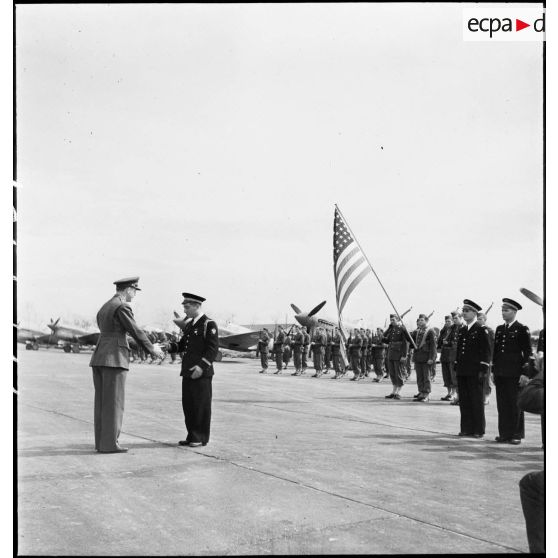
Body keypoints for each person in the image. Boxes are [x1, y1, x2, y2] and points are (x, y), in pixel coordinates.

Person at [90, 277, 163, 453]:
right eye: (134, 291)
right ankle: (109, 444)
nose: (135, 295)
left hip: (100, 356)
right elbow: (135, 330)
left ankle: (101, 442)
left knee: (101, 402)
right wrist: (152, 348)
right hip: (115, 358)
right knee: (114, 403)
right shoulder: (122, 306)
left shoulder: (105, 306)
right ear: (128, 289)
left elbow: (108, 331)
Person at [168, 292, 219, 447]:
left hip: (200, 372)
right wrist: (170, 347)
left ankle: (200, 437)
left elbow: (212, 349)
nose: (184, 310)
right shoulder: (191, 324)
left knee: (200, 405)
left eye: (187, 306)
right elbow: (183, 344)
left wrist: (201, 366)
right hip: (188, 371)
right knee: (189, 405)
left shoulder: (208, 324)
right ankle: (192, 435)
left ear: (197, 306)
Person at [492, 298, 535, 445]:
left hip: (515, 373)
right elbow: (496, 352)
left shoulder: (522, 329)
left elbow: (528, 353)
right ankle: (504, 433)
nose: (503, 313)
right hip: (500, 373)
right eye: (502, 310)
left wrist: (525, 373)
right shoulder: (499, 329)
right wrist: (493, 370)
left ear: (514, 312)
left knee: (515, 404)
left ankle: (516, 434)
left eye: (507, 310)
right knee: (502, 404)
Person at [454, 299, 491, 439]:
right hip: (463, 369)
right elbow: (459, 350)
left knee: (476, 400)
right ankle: (466, 428)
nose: (464, 313)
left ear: (475, 313)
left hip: (475, 370)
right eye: (463, 310)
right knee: (464, 400)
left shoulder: (481, 329)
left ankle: (478, 429)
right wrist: (457, 364)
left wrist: (483, 368)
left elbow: (486, 351)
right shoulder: (463, 330)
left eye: (467, 310)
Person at [383, 314, 410, 399]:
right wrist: (388, 328)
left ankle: (398, 392)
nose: (392, 321)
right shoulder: (392, 329)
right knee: (392, 374)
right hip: (391, 353)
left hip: (398, 354)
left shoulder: (402, 329)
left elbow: (405, 343)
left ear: (398, 320)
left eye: (393, 320)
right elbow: (386, 339)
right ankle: (394, 391)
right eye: (391, 320)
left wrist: (404, 355)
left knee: (398, 373)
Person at [412, 314, 437, 402]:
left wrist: (432, 358)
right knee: (420, 377)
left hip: (426, 357)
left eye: (422, 320)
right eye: (419, 320)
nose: (420, 322)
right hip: (418, 357)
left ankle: (426, 394)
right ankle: (421, 392)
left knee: (426, 377)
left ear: (426, 321)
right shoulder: (418, 331)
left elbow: (433, 346)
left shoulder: (430, 331)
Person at [439, 313, 460, 402]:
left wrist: (449, 343)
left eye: (449, 321)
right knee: (446, 375)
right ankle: (448, 393)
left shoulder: (456, 329)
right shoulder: (444, 330)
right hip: (445, 354)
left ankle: (453, 393)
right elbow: (439, 341)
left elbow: (457, 342)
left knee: (453, 376)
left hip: (452, 355)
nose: (447, 323)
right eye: (446, 321)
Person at [476, 311, 495, 404]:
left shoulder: (489, 331)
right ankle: (480, 395)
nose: (478, 321)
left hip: (487, 359)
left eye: (480, 319)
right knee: (479, 378)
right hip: (478, 358)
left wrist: (490, 359)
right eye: (477, 319)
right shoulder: (477, 330)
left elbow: (491, 346)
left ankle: (486, 396)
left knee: (486, 379)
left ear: (485, 320)